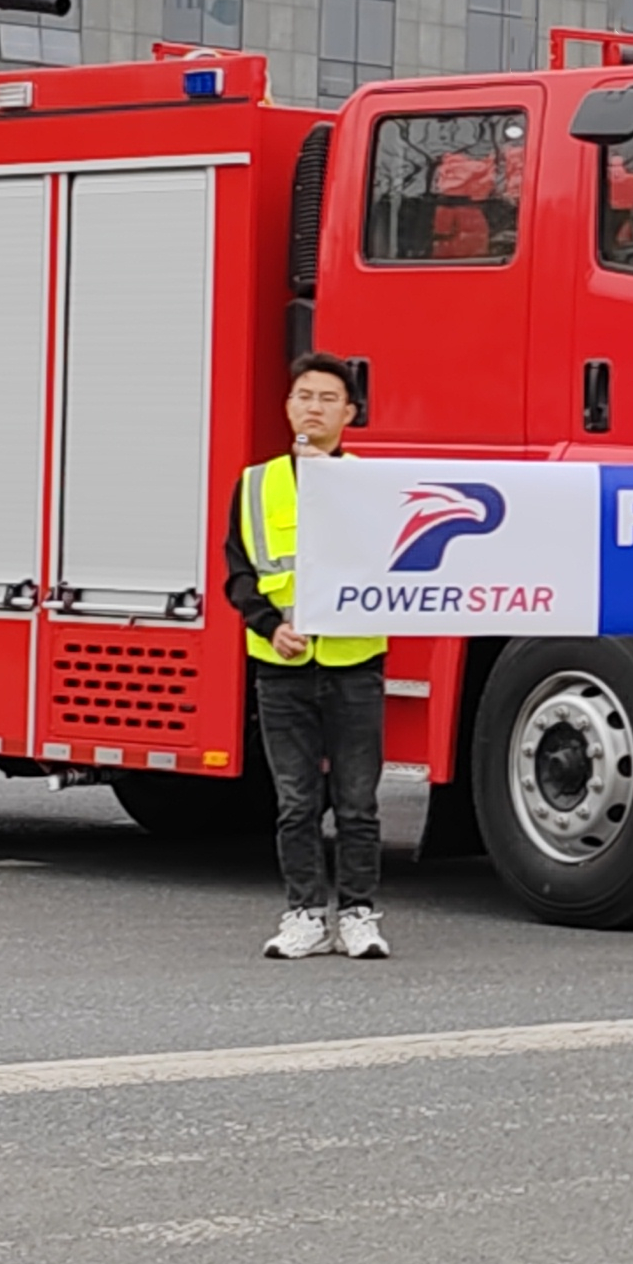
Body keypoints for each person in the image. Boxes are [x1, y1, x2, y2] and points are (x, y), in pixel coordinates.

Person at [223, 354, 392, 962]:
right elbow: (240, 577)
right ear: (287, 406)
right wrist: (271, 627)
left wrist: (334, 485)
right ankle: (302, 914)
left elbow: (390, 568)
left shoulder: (372, 485)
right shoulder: (256, 482)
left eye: (326, 398)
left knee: (357, 804)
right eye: (302, 396)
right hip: (282, 667)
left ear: (349, 413)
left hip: (354, 666)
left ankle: (357, 914)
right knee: (295, 803)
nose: (312, 407)